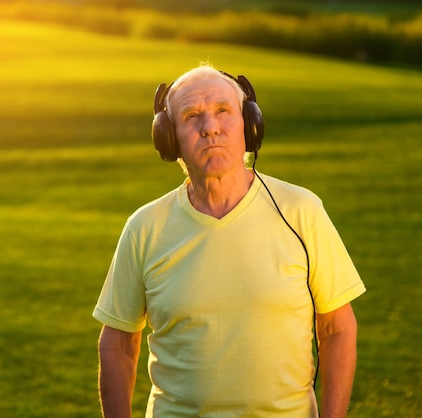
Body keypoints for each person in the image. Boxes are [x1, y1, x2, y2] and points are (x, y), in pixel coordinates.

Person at [92, 64, 366, 418]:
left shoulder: (302, 211)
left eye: (223, 111)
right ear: (168, 138)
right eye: (192, 116)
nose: (210, 128)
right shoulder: (144, 227)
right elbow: (117, 342)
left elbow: (337, 328)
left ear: (250, 126)